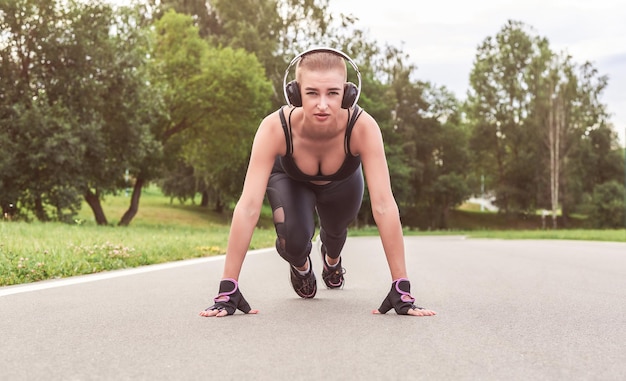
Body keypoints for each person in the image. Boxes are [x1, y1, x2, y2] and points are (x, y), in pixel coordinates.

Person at [199, 47, 436, 317]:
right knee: (294, 241)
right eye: (312, 93)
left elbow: (383, 205)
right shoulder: (274, 128)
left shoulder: (363, 127)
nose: (322, 104)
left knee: (334, 236)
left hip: (343, 183)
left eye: (333, 93)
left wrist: (401, 287)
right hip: (290, 179)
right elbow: (248, 207)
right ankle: (301, 269)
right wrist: (227, 288)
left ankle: (331, 262)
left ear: (348, 94)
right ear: (295, 92)